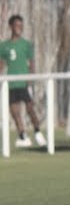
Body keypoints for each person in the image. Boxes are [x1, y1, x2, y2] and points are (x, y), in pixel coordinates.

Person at [0, 14, 45, 147]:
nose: (20, 28)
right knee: (15, 112)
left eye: (21, 25)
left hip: (24, 83)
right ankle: (23, 135)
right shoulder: (4, 46)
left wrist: (31, 82)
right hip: (11, 83)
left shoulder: (26, 44)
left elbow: (31, 64)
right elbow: (1, 64)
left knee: (30, 109)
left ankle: (38, 132)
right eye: (17, 25)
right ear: (11, 27)